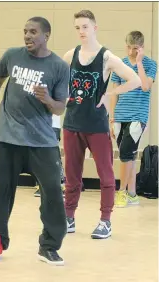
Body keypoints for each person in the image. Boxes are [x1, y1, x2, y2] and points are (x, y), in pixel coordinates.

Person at [0, 17, 69, 265]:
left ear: (46, 35)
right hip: (7, 137)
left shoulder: (58, 66)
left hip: (42, 142)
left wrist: (47, 98)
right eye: (25, 31)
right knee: (0, 193)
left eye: (33, 32)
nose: (27, 35)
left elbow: (59, 109)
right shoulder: (12, 56)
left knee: (53, 194)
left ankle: (49, 246)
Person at [62, 10, 141, 240]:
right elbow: (57, 77)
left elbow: (135, 80)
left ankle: (105, 221)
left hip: (96, 125)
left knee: (106, 174)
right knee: (72, 175)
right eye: (77, 28)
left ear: (94, 28)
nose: (81, 32)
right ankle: (69, 217)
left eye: (85, 27)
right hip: (72, 123)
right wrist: (63, 95)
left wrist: (110, 94)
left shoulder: (107, 57)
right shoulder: (70, 55)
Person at [110, 31, 157, 207]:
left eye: (135, 48)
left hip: (138, 115)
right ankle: (132, 193)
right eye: (129, 47)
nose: (131, 51)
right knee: (128, 155)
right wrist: (112, 118)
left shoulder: (151, 64)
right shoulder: (119, 64)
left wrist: (139, 63)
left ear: (142, 48)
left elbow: (145, 87)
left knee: (125, 153)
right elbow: (115, 92)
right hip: (120, 115)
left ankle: (122, 192)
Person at [34, 114, 65, 197]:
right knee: (40, 157)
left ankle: (60, 185)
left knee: (53, 157)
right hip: (39, 124)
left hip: (53, 126)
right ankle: (41, 186)